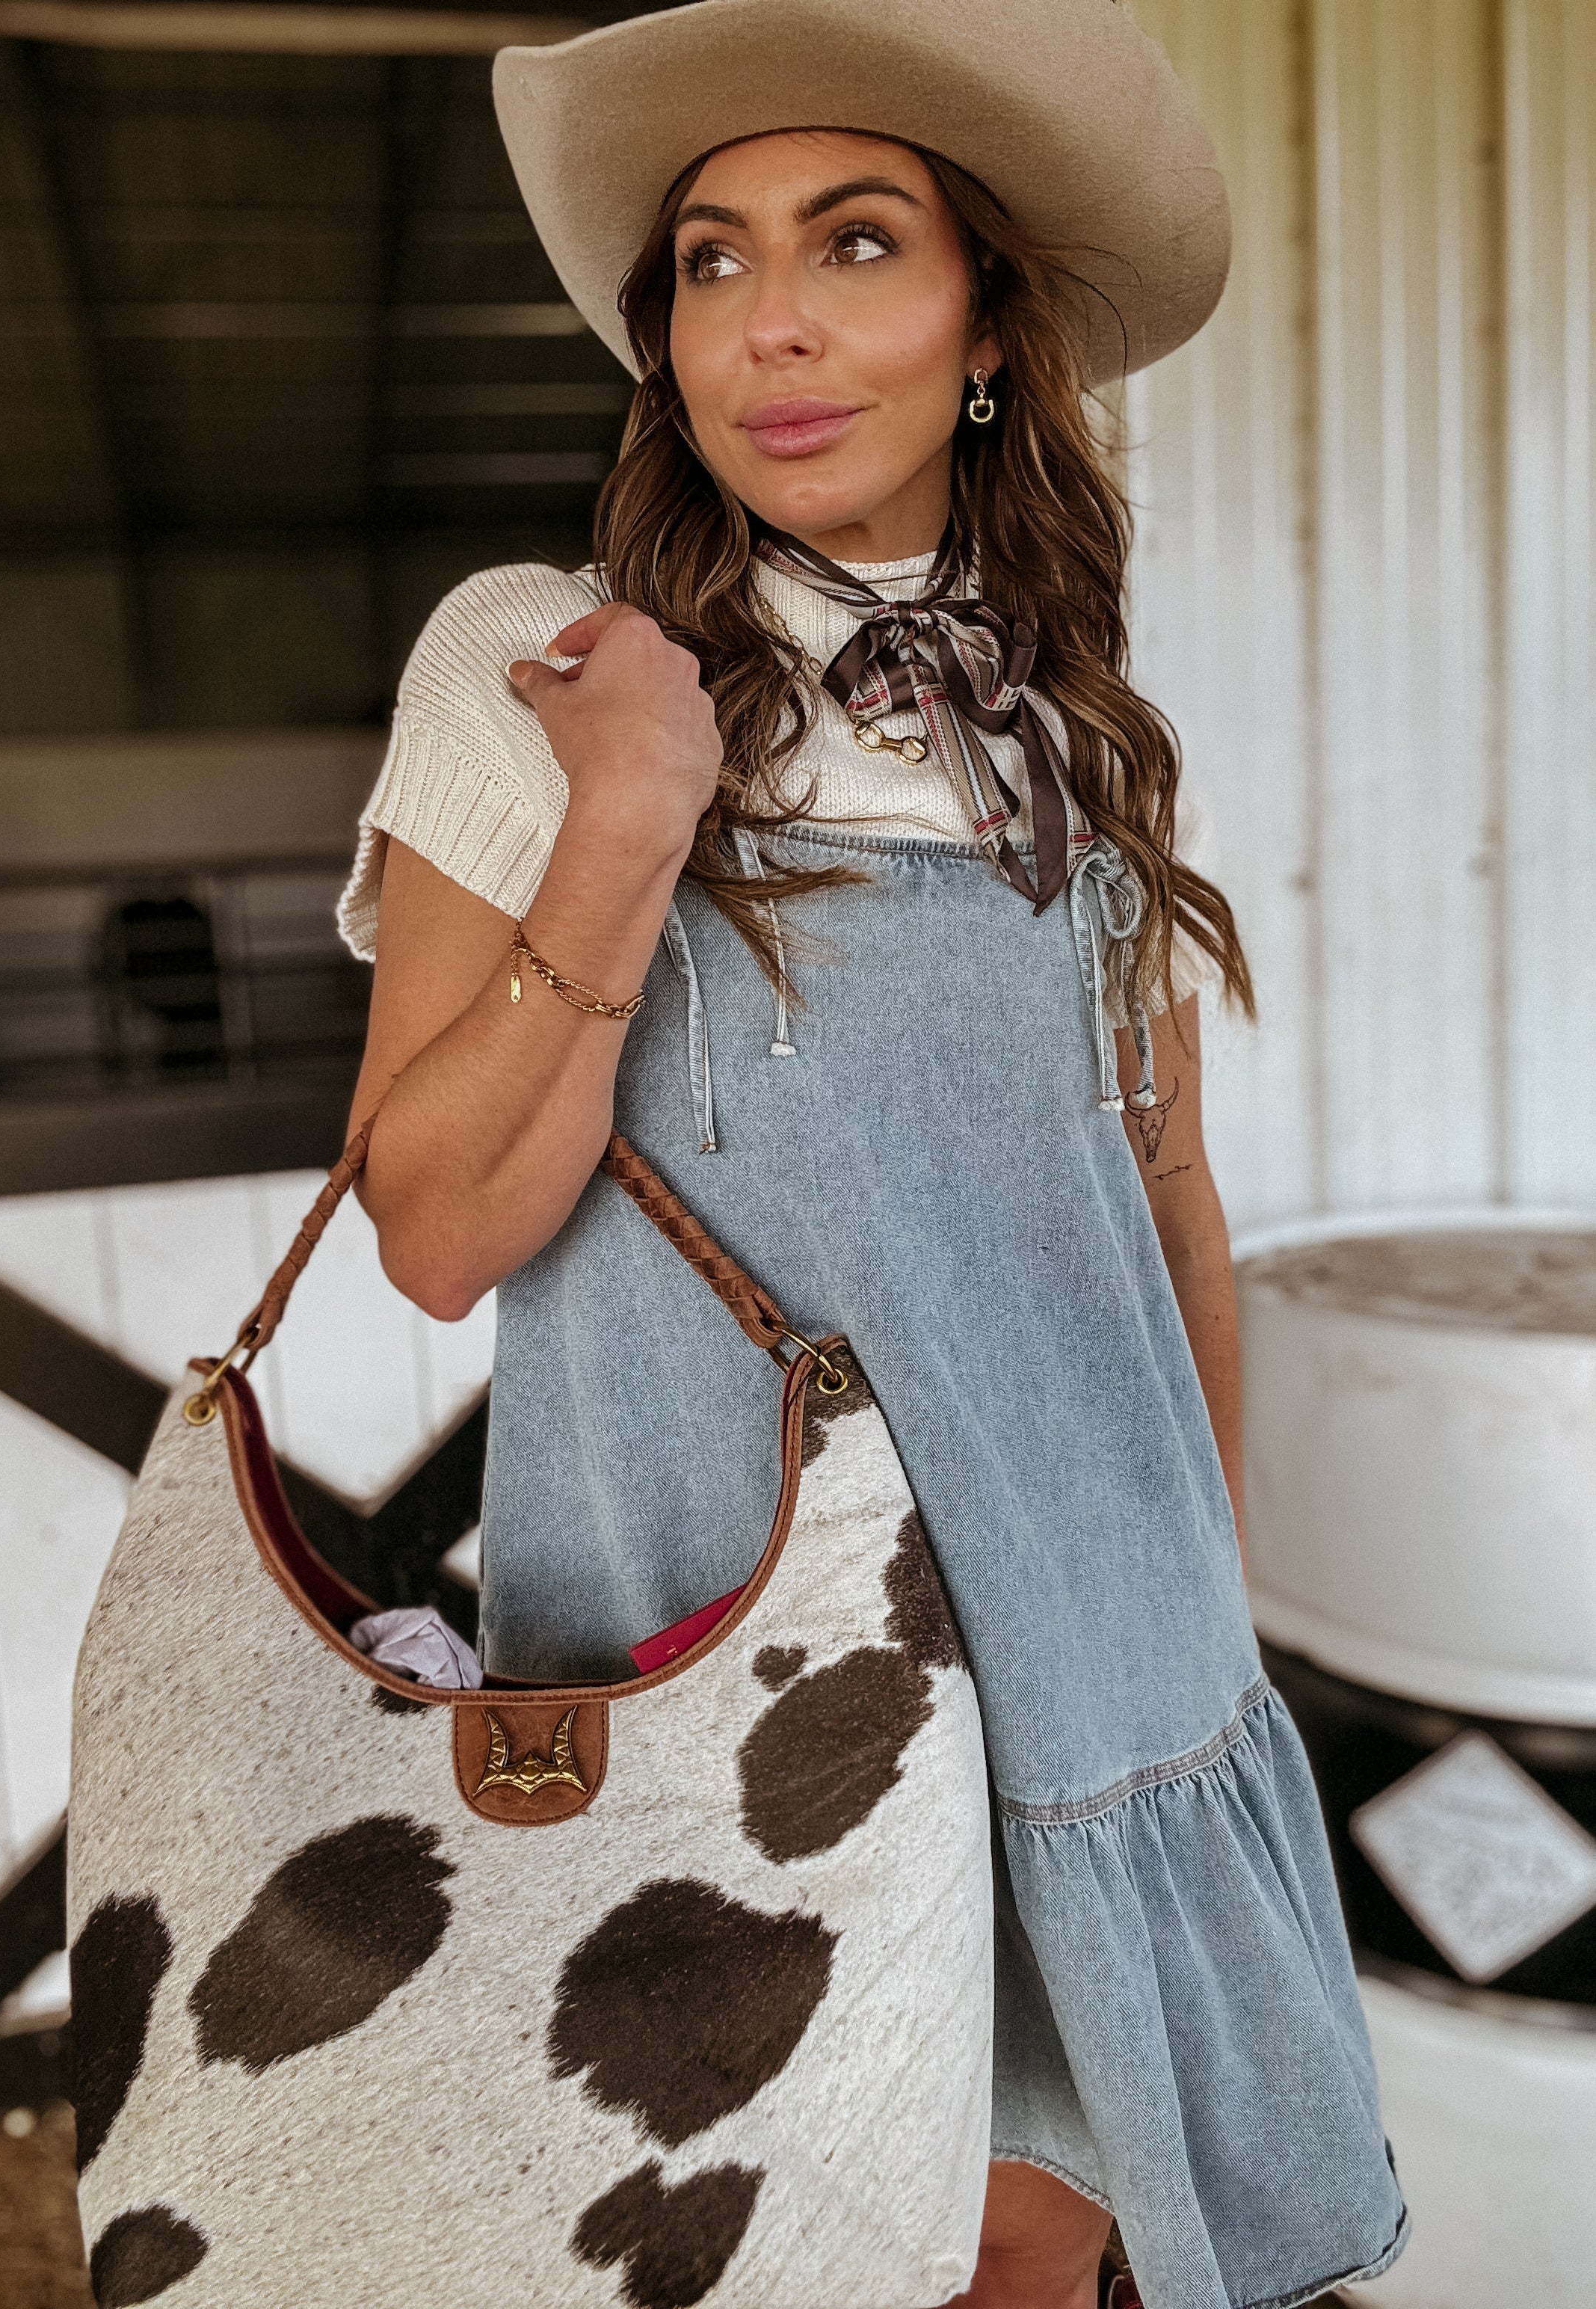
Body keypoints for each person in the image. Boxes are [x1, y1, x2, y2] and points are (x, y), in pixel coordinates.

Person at [339, 3, 1408, 2304]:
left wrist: (1191, 1641)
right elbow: (432, 1231)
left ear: (987, 329)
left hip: (1092, 1678)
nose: (774, 322)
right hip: (720, 1693)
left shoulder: (1075, 740)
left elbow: (1163, 1214)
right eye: (711, 260)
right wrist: (631, 817)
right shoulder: (534, 671)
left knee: (1034, 2257)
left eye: (853, 241)